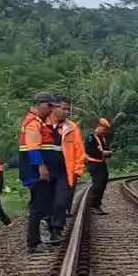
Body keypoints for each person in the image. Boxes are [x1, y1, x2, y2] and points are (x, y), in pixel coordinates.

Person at [20, 92, 63, 254]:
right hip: (35, 173)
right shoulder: (33, 122)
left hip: (37, 172)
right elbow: (33, 147)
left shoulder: (39, 121)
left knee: (40, 206)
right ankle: (33, 243)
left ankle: (36, 240)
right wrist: (41, 167)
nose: (51, 109)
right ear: (40, 104)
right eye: (49, 106)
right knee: (38, 208)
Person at [53, 97, 85, 232]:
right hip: (47, 170)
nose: (66, 112)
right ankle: (48, 227)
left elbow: (79, 150)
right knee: (47, 201)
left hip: (66, 170)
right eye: (63, 108)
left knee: (62, 201)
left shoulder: (72, 127)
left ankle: (57, 229)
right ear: (54, 108)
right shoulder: (43, 125)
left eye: (68, 109)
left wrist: (77, 170)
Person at [84, 118, 113, 215]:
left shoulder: (101, 138)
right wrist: (102, 153)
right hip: (94, 163)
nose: (105, 132)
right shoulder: (91, 137)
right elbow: (89, 150)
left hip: (101, 163)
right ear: (98, 127)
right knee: (98, 184)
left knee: (103, 182)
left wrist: (107, 152)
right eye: (104, 130)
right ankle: (93, 206)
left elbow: (103, 148)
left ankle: (97, 205)